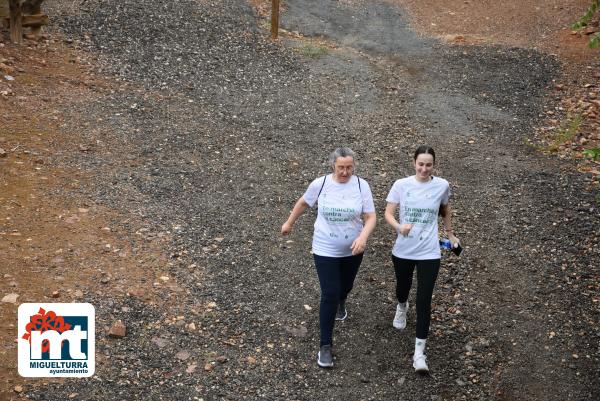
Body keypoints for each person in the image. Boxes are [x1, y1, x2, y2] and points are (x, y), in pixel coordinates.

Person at [281, 147, 376, 368]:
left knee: (346, 287)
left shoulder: (362, 185)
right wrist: (289, 222)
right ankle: (325, 346)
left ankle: (343, 300)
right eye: (341, 167)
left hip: (353, 249)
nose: (345, 172)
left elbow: (371, 217)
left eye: (349, 168)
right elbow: (304, 202)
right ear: (333, 165)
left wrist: (363, 237)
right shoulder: (320, 184)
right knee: (329, 293)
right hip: (325, 248)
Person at [384, 145, 460, 373]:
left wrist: (450, 233)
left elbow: (445, 209)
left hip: (429, 251)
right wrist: (399, 226)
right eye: (421, 164)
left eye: (429, 165)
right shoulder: (401, 185)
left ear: (433, 165)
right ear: (414, 163)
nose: (424, 169)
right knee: (403, 288)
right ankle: (401, 305)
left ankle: (419, 354)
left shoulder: (442, 185)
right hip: (404, 249)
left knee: (425, 299)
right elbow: (388, 213)